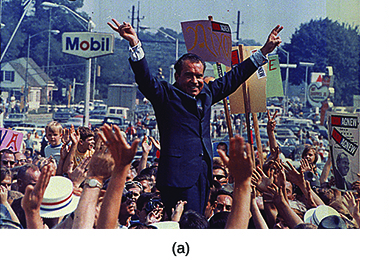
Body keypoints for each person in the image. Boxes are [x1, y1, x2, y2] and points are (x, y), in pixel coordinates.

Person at [108, 18, 283, 217]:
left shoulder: (207, 93)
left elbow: (234, 78)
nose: (195, 81)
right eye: (189, 75)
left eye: (199, 76)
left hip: (203, 175)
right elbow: (145, 79)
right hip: (176, 178)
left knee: (198, 223)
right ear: (178, 76)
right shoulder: (165, 95)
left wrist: (264, 52)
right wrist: (134, 44)